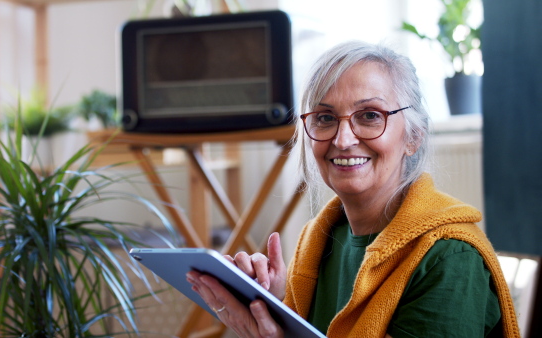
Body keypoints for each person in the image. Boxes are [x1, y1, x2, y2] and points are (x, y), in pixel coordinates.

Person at [186, 41, 520, 337]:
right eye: (325, 118)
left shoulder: (448, 259)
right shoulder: (320, 240)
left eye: (370, 115)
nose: (343, 140)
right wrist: (280, 306)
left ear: (414, 136)